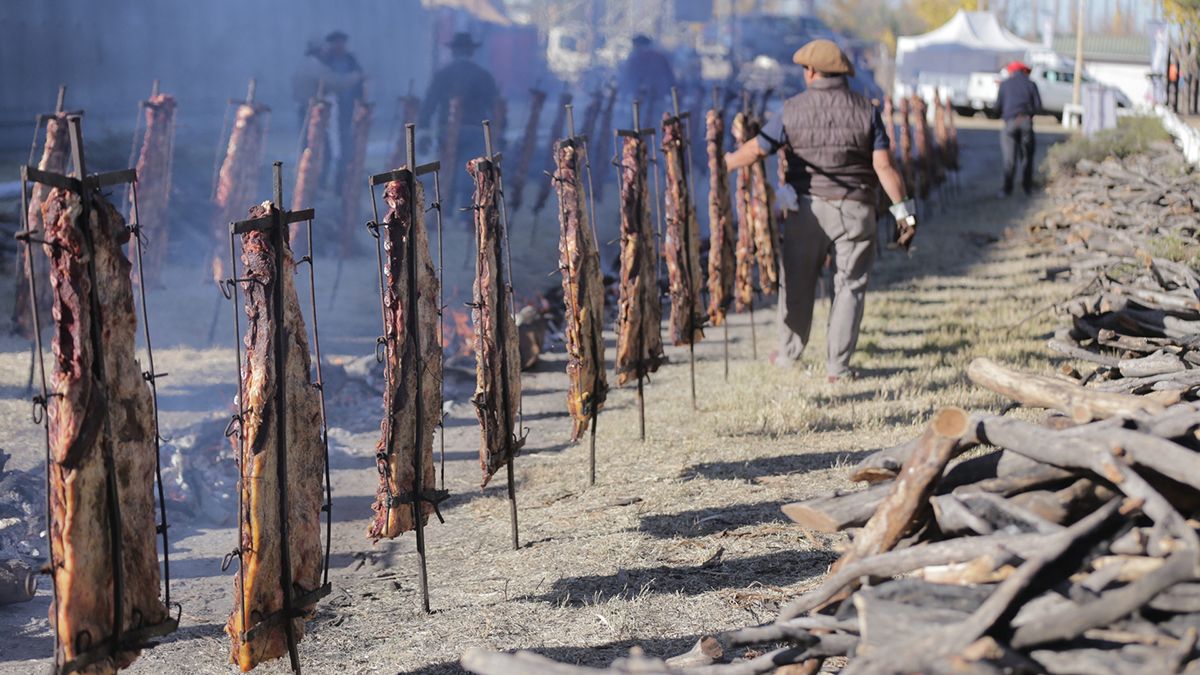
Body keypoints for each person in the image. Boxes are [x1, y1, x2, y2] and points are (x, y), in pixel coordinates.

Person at [724, 39, 912, 383]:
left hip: (807, 211)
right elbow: (884, 166)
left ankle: (788, 354)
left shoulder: (792, 109)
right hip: (856, 210)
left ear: (811, 72)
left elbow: (757, 150)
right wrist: (904, 213)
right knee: (850, 286)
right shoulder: (867, 110)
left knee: (797, 282)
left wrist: (724, 165)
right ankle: (838, 368)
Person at [419, 32, 499, 206]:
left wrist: (424, 129)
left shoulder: (443, 74)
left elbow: (429, 104)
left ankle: (446, 209)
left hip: (447, 129)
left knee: (448, 170)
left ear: (454, 51)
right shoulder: (482, 75)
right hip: (475, 129)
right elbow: (495, 106)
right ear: (471, 51)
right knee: (470, 171)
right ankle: (466, 210)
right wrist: (499, 133)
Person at [320, 30, 366, 187]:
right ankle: (322, 182)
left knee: (346, 144)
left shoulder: (351, 60)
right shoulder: (325, 61)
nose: (339, 45)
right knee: (327, 147)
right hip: (330, 109)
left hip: (347, 108)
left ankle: (341, 182)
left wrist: (360, 100)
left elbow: (360, 81)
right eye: (336, 42)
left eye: (341, 42)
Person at [996, 61, 1041, 197]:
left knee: (1009, 158)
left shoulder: (1005, 84)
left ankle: (1007, 189)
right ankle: (1027, 187)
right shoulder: (1031, 84)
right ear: (1024, 71)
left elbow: (997, 107)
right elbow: (1038, 106)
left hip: (1010, 123)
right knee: (1027, 157)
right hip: (1026, 122)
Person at [618, 34, 676, 117]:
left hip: (641, 99)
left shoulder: (635, 58)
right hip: (659, 98)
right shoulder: (660, 56)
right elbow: (671, 79)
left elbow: (627, 79)